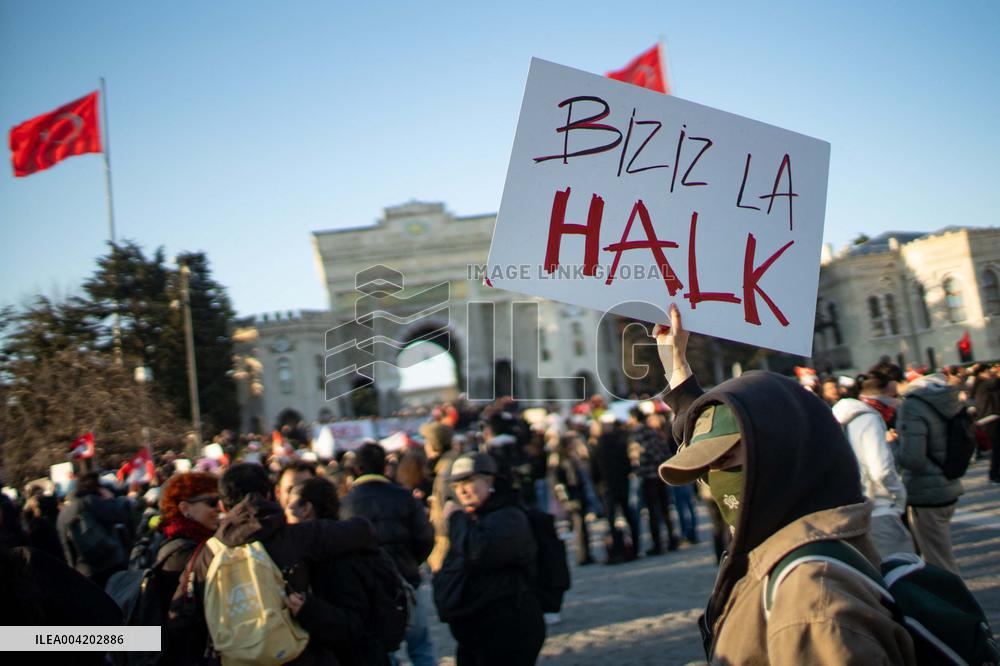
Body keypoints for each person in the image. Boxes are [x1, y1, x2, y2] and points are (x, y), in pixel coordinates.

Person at [655, 305, 915, 664]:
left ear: (779, 457)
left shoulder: (811, 602)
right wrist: (677, 370)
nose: (715, 480)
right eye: (707, 468)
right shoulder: (790, 539)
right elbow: (725, 448)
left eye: (725, 461)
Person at [167, 462, 376, 665]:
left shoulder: (203, 556)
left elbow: (179, 622)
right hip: (296, 656)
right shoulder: (296, 537)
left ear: (223, 505)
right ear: (269, 495)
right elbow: (361, 530)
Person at [432, 452, 545, 666]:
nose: (462, 491)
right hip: (476, 630)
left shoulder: (509, 515)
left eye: (468, 482)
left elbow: (479, 552)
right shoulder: (476, 517)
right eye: (456, 486)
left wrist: (456, 519)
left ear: (489, 481)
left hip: (510, 627)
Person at [341, 443, 436, 666]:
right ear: (385, 466)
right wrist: (412, 561)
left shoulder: (346, 503)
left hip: (370, 588)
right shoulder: (403, 496)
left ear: (356, 469)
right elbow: (425, 537)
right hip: (407, 579)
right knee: (421, 648)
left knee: (384, 650)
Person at [284, 477, 389, 666]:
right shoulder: (348, 540)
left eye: (289, 506)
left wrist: (308, 610)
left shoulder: (337, 556)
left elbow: (355, 625)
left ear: (306, 509)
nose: (285, 513)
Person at [832, 377, 915, 558]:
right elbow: (881, 470)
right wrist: (898, 498)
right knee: (900, 568)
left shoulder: (831, 420)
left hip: (849, 514)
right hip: (880, 508)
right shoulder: (868, 418)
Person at [897, 372, 965, 574]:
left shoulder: (912, 405)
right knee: (941, 554)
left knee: (938, 561)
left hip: (925, 492)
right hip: (949, 482)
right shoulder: (949, 399)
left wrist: (893, 445)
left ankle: (954, 594)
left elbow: (913, 459)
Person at [156, 471, 221, 655]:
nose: (219, 508)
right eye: (212, 502)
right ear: (185, 508)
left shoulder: (174, 538)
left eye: (220, 501)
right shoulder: (184, 552)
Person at [56, 471, 132, 588]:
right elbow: (120, 515)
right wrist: (111, 499)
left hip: (85, 571)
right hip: (110, 561)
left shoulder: (62, 515)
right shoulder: (90, 501)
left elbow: (67, 549)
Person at [629, 408, 680, 554]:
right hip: (660, 475)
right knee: (665, 509)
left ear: (634, 418)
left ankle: (658, 543)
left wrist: (638, 465)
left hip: (648, 476)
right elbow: (663, 450)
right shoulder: (653, 430)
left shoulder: (638, 432)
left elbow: (641, 453)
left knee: (653, 511)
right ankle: (672, 538)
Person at [591, 413, 639, 563]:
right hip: (622, 483)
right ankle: (635, 548)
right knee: (629, 516)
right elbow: (628, 465)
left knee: (611, 520)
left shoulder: (598, 446)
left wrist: (598, 484)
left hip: (606, 486)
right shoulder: (620, 442)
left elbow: (594, 470)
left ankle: (617, 551)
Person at [547, 429, 594, 565]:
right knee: (578, 527)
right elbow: (556, 482)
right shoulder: (560, 460)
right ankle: (582, 555)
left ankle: (586, 554)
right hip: (571, 496)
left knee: (582, 527)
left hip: (578, 494)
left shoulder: (571, 458)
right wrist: (565, 499)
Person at [422, 421, 459, 573]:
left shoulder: (445, 472)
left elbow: (448, 515)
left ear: (434, 444)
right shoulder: (446, 466)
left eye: (427, 441)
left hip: (448, 546)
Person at [970, 363, 1000, 482]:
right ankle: (994, 473)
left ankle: (995, 473)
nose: (990, 374)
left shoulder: (979, 384)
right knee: (997, 447)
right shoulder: (983, 384)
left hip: (990, 418)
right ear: (981, 373)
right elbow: (995, 382)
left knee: (997, 447)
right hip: (990, 418)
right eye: (988, 371)